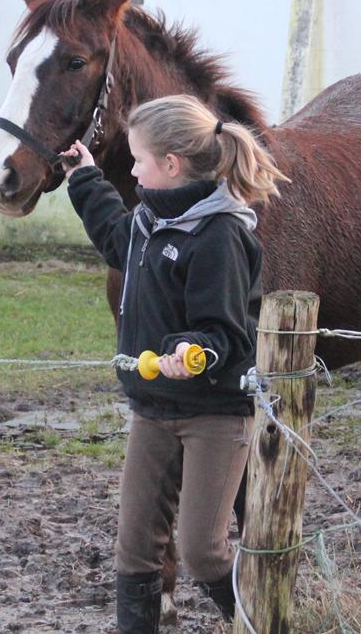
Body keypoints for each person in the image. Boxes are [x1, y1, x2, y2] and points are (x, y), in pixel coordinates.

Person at [61, 94, 289, 633]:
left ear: (171, 164)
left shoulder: (221, 235)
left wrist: (190, 354)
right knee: (134, 547)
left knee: (203, 551)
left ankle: (267, 625)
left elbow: (223, 332)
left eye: (138, 160)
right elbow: (118, 240)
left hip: (214, 415)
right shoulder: (148, 218)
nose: (133, 170)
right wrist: (84, 179)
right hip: (152, 408)